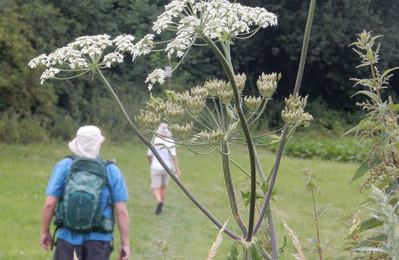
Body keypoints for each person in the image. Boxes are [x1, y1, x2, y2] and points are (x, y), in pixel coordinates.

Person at [40, 125, 130, 260]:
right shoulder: (111, 170)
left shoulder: (65, 166)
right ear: (98, 144)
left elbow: (49, 204)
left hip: (67, 238)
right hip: (99, 240)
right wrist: (125, 244)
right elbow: (121, 210)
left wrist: (45, 232)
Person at [147, 123, 181, 215]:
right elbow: (174, 157)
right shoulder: (171, 141)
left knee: (155, 187)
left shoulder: (155, 140)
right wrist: (177, 170)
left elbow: (149, 155)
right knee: (163, 187)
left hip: (155, 167)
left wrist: (151, 164)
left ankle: (159, 201)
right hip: (167, 168)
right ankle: (162, 204)